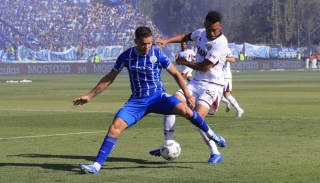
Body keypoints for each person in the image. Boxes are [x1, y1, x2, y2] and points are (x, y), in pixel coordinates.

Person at [74, 26, 226, 174]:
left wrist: (187, 93)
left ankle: (212, 134)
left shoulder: (157, 54)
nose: (147, 47)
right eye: (143, 43)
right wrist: (89, 96)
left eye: (149, 43)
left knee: (187, 111)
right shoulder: (126, 56)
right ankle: (96, 166)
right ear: (136, 41)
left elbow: (175, 73)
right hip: (137, 101)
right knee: (114, 128)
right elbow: (109, 78)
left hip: (159, 97)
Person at [149, 11, 229, 164]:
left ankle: (215, 152)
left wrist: (184, 62)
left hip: (212, 86)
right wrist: (166, 40)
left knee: (196, 118)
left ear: (220, 27)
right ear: (205, 25)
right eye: (209, 29)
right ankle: (167, 145)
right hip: (196, 83)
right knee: (170, 105)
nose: (212, 33)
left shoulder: (221, 43)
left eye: (215, 30)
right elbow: (185, 36)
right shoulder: (200, 33)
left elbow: (205, 67)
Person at [220, 47, 245, 117]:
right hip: (218, 75)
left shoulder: (226, 49)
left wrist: (224, 58)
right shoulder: (214, 48)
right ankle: (228, 103)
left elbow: (233, 59)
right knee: (215, 92)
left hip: (225, 76)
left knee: (227, 95)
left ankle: (239, 109)